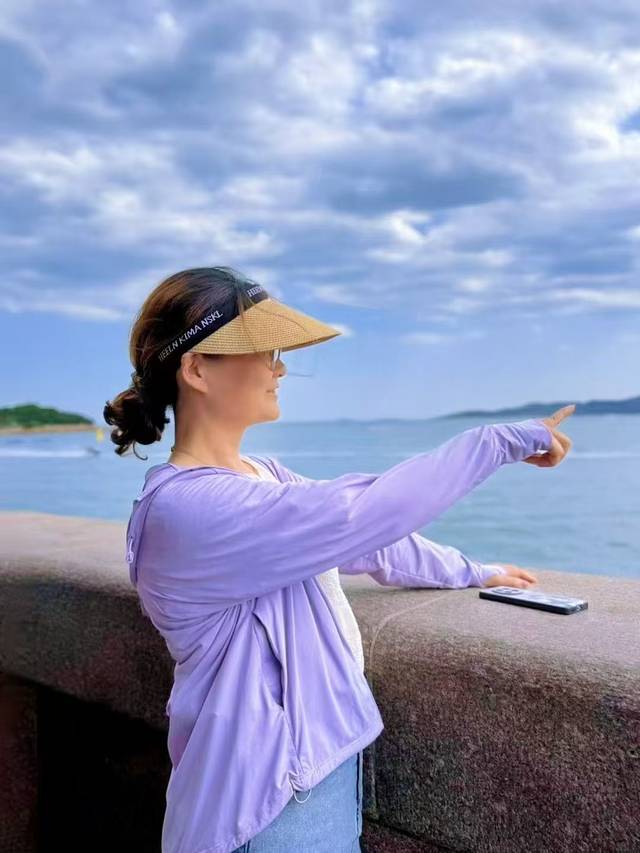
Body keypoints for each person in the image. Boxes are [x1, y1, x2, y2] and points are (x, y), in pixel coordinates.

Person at [103, 266, 573, 853]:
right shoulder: (188, 509)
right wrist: (500, 441)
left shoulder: (261, 477)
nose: (279, 369)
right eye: (264, 351)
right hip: (264, 803)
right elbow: (362, 514)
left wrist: (474, 572)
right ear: (196, 369)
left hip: (308, 773)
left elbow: (368, 541)